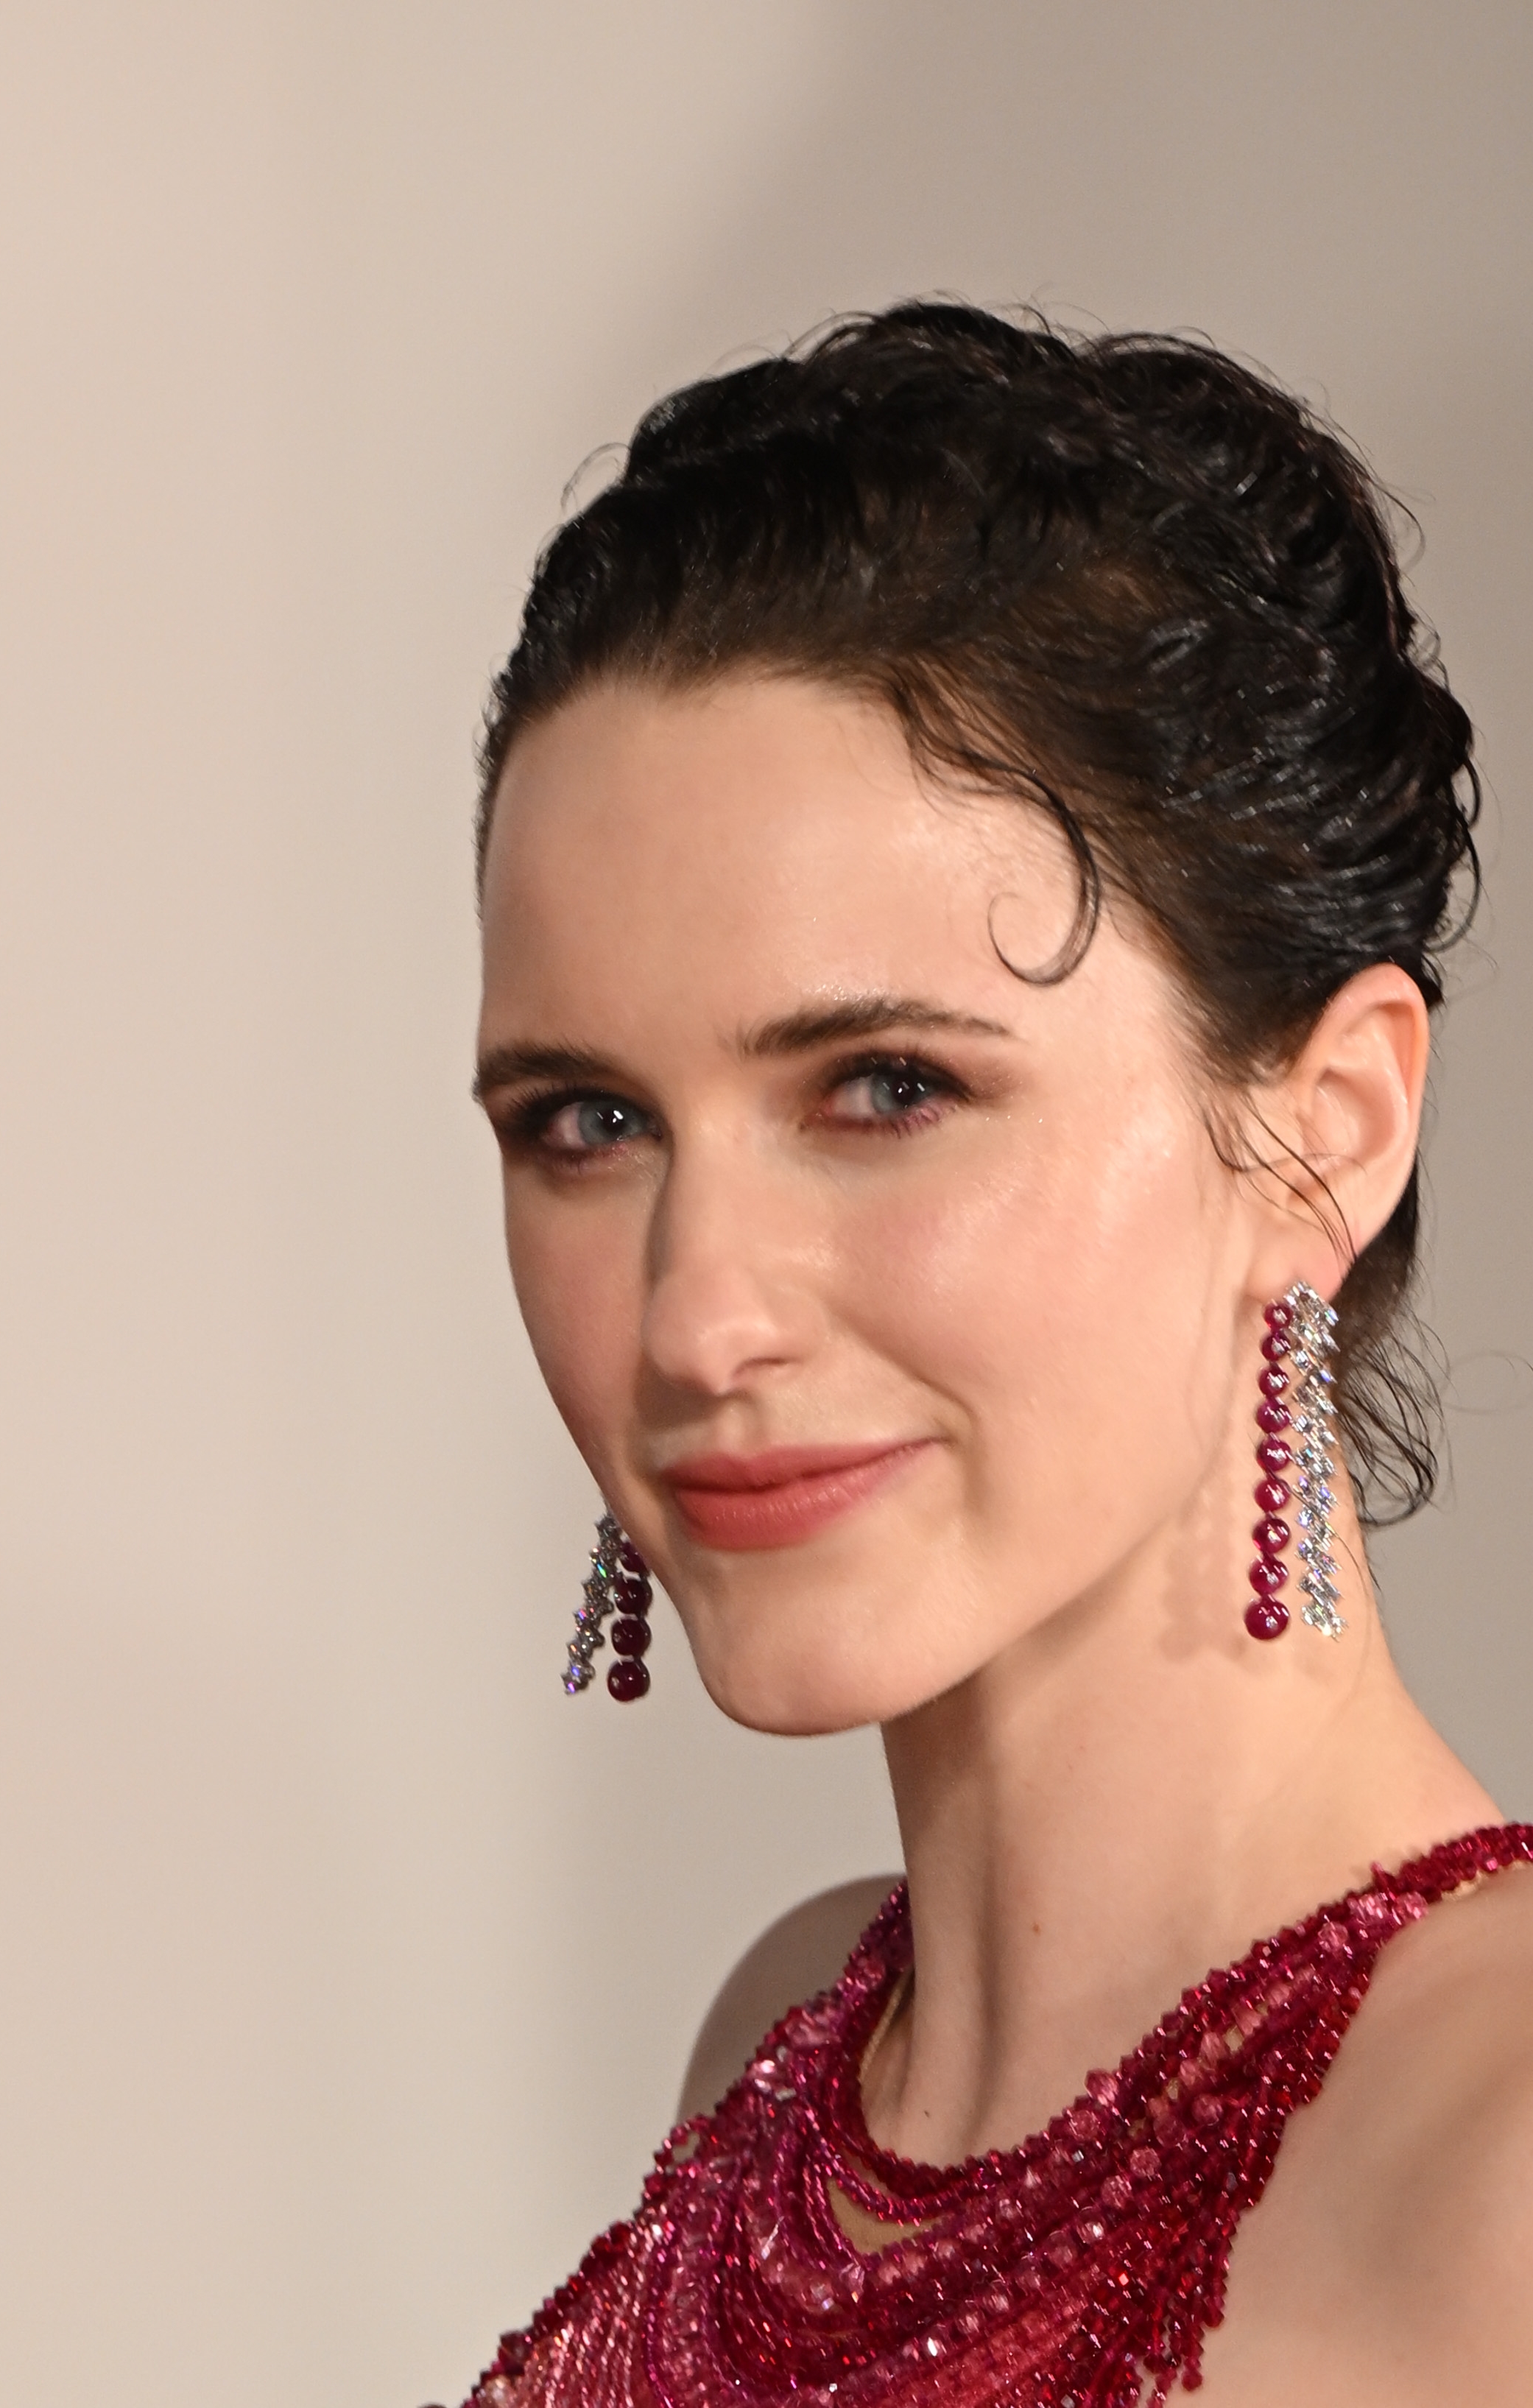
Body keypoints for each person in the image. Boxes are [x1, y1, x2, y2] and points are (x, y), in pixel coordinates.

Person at [455, 303, 1532, 2402]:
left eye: (881, 1091)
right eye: (585, 1124)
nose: (693, 1316)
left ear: (1327, 1137)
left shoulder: (1504, 2164)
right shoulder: (786, 2054)